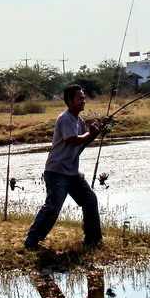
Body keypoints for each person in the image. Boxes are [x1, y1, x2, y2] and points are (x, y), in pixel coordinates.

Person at [24, 84, 103, 250]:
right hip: (57, 172)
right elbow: (71, 140)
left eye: (83, 97)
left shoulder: (79, 121)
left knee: (89, 200)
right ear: (69, 100)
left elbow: (80, 144)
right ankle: (32, 240)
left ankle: (93, 240)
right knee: (53, 207)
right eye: (79, 98)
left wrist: (94, 134)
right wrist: (90, 134)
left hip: (72, 173)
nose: (83, 100)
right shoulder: (65, 118)